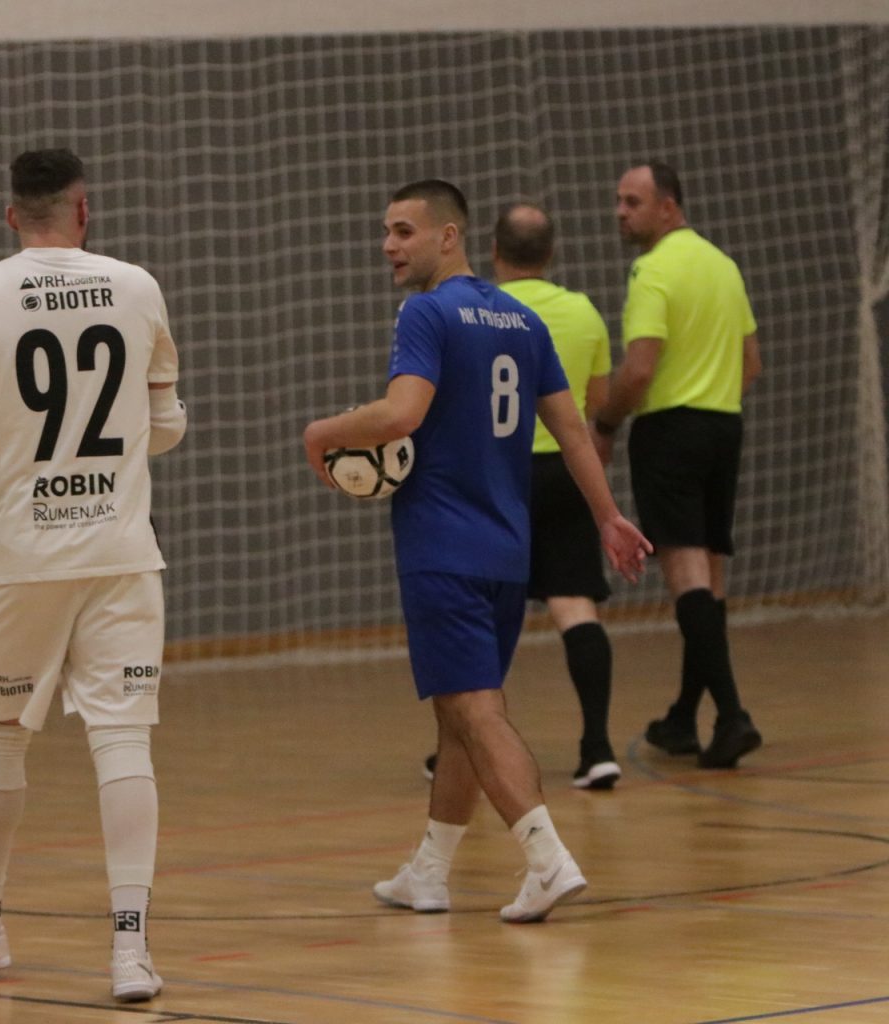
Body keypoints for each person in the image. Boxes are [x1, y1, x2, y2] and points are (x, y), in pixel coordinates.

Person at [303, 180, 650, 923]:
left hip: (443, 544)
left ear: (449, 236)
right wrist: (608, 516)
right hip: (506, 548)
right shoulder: (522, 319)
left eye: (404, 231)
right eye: (386, 231)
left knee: (476, 710)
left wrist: (323, 432)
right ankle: (428, 873)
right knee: (460, 712)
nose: (389, 246)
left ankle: (547, 859)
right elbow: (574, 430)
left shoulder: (425, 313)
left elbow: (401, 414)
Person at [0, 148, 186, 1002]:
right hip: (120, 551)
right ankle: (131, 952)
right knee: (123, 738)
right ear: (83, 209)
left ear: (11, 216)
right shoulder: (137, 286)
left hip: (21, 552)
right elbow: (167, 425)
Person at [422, 203, 622, 790]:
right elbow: (595, 403)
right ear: (551, 252)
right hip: (565, 471)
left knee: (475, 618)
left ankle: (463, 747)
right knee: (575, 607)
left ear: (493, 251)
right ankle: (598, 747)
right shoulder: (582, 312)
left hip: (494, 475)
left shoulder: (476, 311)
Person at [592, 160, 764, 769]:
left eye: (633, 202)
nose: (620, 212)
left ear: (669, 206)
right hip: (724, 425)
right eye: (619, 200)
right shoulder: (723, 265)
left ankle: (733, 715)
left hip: (670, 431)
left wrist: (605, 423)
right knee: (709, 580)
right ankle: (684, 718)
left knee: (686, 576)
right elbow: (751, 363)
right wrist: (710, 399)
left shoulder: (653, 269)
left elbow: (639, 368)